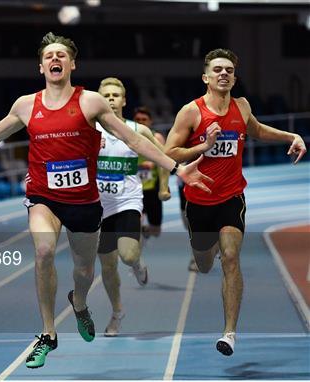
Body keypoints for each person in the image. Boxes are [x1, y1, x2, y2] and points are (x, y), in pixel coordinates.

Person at [0, 32, 211, 368]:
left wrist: (176, 168)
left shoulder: (91, 101)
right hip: (43, 196)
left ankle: (79, 302)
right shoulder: (25, 105)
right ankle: (48, 334)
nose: (55, 59)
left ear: (72, 63)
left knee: (83, 270)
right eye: (49, 55)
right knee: (44, 250)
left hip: (84, 201)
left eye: (61, 55)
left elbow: (133, 139)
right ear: (41, 66)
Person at [164, 48, 307, 356]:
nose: (224, 74)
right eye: (217, 70)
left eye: (228, 70)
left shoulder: (241, 106)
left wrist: (290, 136)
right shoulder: (191, 112)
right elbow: (169, 152)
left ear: (235, 77)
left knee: (230, 257)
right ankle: (205, 248)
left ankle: (229, 332)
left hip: (231, 197)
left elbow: (256, 130)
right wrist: (205, 145)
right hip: (198, 200)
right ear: (206, 77)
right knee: (204, 264)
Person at [95, 78, 170, 337]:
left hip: (128, 201)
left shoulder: (139, 130)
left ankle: (137, 264)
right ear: (99, 99)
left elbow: (164, 159)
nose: (112, 99)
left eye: (117, 95)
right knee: (107, 266)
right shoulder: (88, 130)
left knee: (127, 255)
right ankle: (117, 313)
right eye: (107, 95)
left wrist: (163, 188)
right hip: (97, 207)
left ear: (124, 100)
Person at [134, 106, 170, 238]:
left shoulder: (157, 137)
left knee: (156, 231)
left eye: (144, 119)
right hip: (134, 189)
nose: (141, 122)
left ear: (150, 121)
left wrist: (164, 187)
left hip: (153, 188)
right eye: (138, 119)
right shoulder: (127, 136)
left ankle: (146, 230)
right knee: (135, 224)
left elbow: (166, 160)